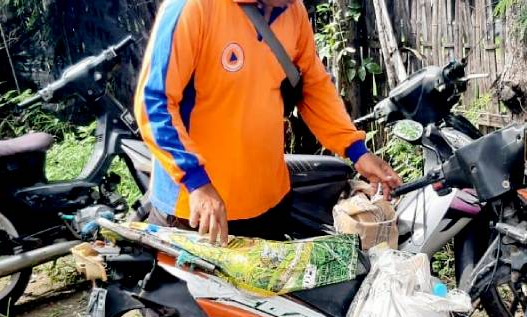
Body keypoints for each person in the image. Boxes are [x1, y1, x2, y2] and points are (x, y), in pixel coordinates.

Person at [135, 0, 402, 244]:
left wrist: (357, 151)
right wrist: (197, 183)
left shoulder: (293, 11)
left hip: (269, 205)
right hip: (197, 211)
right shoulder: (193, 7)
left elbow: (313, 86)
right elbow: (154, 103)